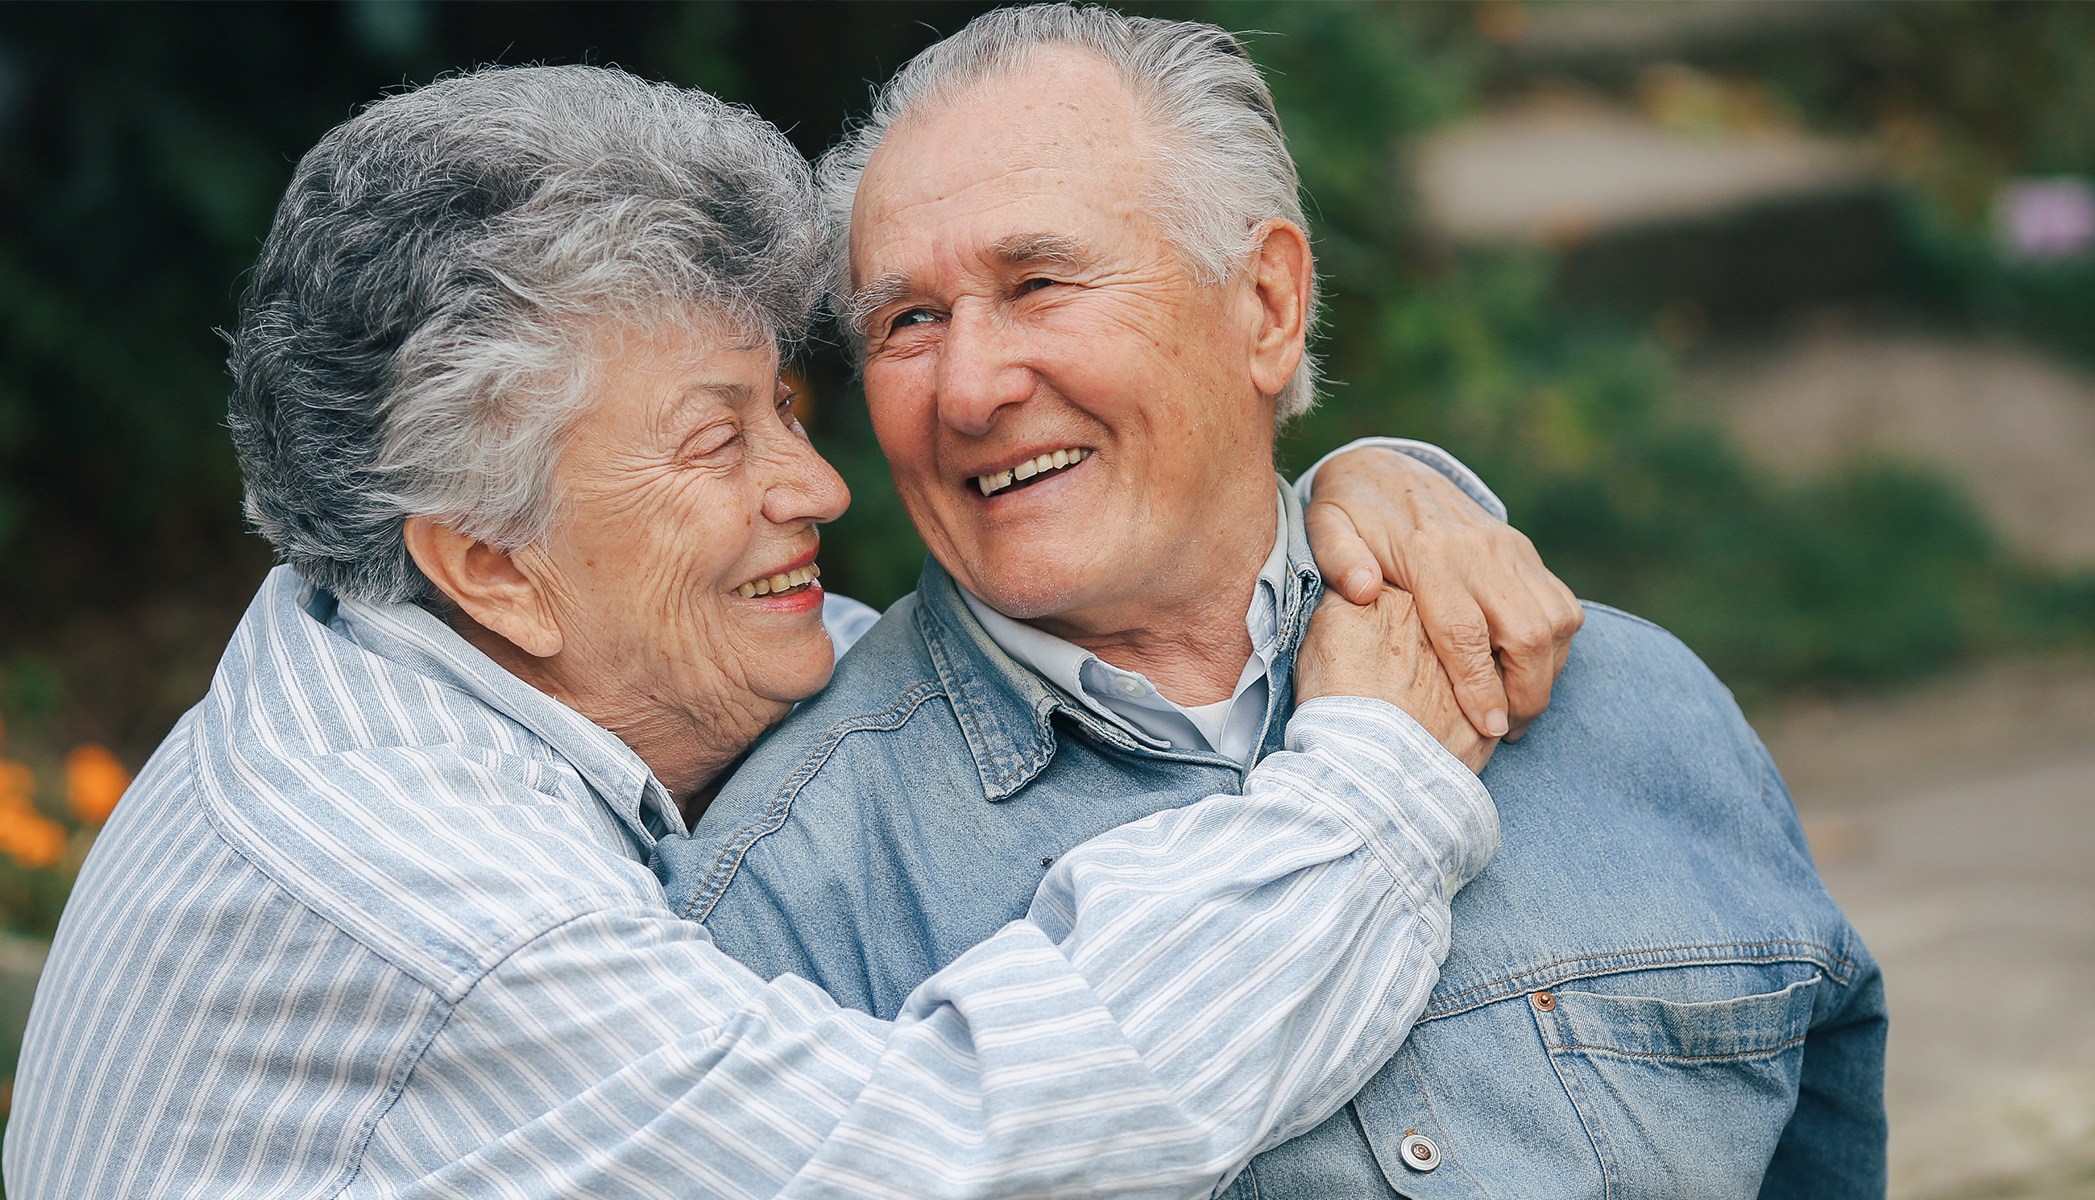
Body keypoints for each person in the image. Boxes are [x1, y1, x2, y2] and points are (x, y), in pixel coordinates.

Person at [4, 62, 1584, 1198]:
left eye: (787, 405)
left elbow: (1065, 606)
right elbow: (963, 1146)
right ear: (487, 559)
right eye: (718, 443)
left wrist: (1357, 498)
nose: (819, 483)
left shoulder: (448, 635)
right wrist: (1373, 787)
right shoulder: (433, 903)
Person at [658, 7, 1888, 1197]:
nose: (969, 388)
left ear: (1267, 306)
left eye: (1039, 282)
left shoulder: (1636, 709)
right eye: (908, 321)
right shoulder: (791, 898)